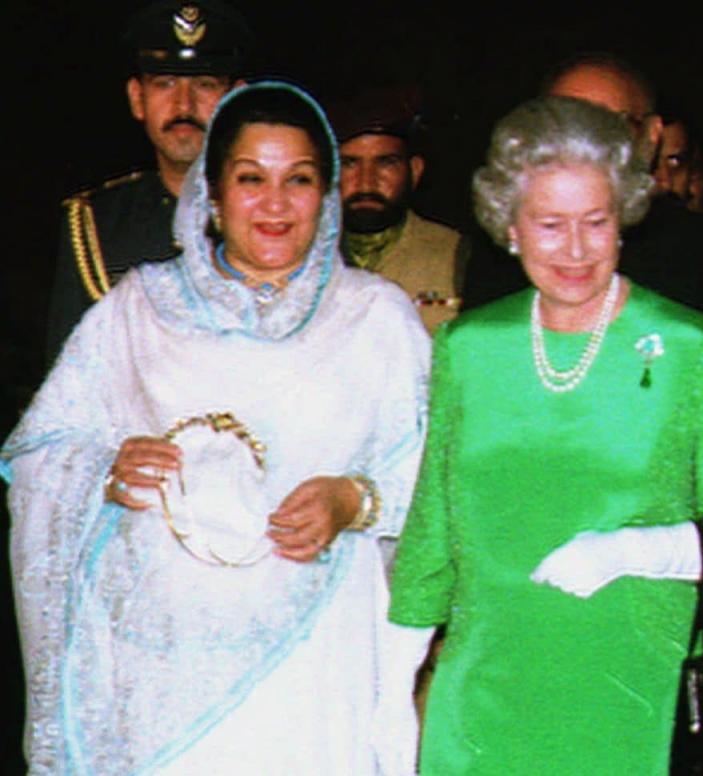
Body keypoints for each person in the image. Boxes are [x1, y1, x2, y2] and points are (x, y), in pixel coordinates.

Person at [3, 82, 431, 774]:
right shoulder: (137, 308)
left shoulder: (377, 319)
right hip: (157, 673)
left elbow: (433, 474)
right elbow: (38, 451)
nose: (274, 203)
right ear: (211, 193)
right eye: (249, 178)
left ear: (326, 197)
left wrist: (355, 502)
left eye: (299, 179)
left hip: (314, 668)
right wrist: (102, 470)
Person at [388, 96, 703, 774]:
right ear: (509, 227)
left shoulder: (694, 347)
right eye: (549, 224)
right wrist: (394, 677)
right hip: (487, 696)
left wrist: (640, 548)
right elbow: (433, 523)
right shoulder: (468, 347)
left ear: (624, 218)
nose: (575, 250)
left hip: (630, 694)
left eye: (596, 223)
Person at [46, 0, 252, 363]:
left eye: (204, 84)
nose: (184, 105)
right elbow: (65, 390)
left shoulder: (280, 214)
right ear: (137, 99)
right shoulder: (97, 225)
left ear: (236, 99)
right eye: (165, 83)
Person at [463, 53, 703, 321]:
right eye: (564, 123)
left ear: (652, 135)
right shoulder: (496, 263)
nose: (584, 140)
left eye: (610, 124)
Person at [331, 85, 470, 333]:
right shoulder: (304, 255)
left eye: (385, 163)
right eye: (349, 164)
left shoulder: (457, 255)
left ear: (414, 171)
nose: (366, 181)